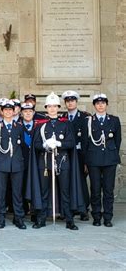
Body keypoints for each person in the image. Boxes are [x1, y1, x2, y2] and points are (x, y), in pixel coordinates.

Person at [28, 92, 83, 230]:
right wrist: (45, 145)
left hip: (62, 162)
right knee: (43, 191)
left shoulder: (65, 125)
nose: (52, 109)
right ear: (46, 107)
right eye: (49, 106)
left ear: (59, 107)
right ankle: (41, 219)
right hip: (45, 163)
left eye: (55, 106)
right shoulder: (40, 125)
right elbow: (36, 145)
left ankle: (69, 219)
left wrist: (59, 144)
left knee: (65, 191)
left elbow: (71, 143)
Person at [81, 94, 121, 227]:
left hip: (110, 159)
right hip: (94, 160)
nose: (100, 105)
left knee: (109, 190)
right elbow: (85, 142)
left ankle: (108, 217)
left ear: (106, 105)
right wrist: (86, 161)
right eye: (97, 103)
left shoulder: (114, 120)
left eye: (103, 103)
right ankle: (97, 216)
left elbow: (117, 140)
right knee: (96, 189)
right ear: (94, 105)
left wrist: (113, 154)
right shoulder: (88, 121)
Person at [0, 100, 26, 229]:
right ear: (2, 111)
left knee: (17, 193)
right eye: (5, 110)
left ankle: (19, 218)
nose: (8, 112)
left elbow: (22, 145)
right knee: (1, 192)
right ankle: (1, 218)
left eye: (10, 110)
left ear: (14, 111)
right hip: (1, 164)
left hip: (16, 164)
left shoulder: (19, 127)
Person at [61, 90, 90, 221]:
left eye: (72, 100)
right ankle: (69, 209)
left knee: (81, 182)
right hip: (66, 154)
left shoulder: (84, 117)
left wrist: (86, 161)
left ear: (76, 102)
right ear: (65, 103)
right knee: (67, 182)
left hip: (80, 155)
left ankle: (84, 209)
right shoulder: (62, 117)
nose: (70, 103)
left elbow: (86, 140)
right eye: (68, 101)